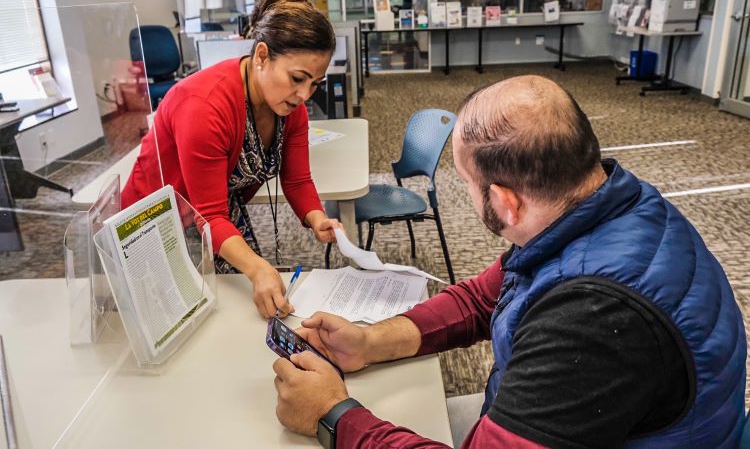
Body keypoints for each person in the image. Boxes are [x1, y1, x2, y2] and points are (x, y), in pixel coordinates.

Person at [271, 75, 747, 447]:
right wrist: (372, 341)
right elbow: (483, 297)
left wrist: (333, 414)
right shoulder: (600, 202)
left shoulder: (592, 320)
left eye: (467, 185)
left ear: (504, 202)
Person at [122, 0, 342, 319]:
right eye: (297, 78)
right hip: (156, 221)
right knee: (175, 319)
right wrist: (256, 268)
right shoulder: (205, 106)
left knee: (235, 313)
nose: (304, 94)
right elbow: (208, 216)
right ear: (262, 56)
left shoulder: (290, 107)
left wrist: (316, 217)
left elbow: (296, 179)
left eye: (315, 83)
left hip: (216, 214)